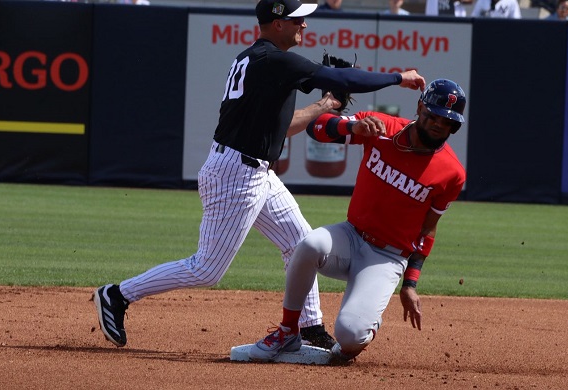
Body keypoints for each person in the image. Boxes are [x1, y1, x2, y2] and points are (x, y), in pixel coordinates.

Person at [92, 0, 426, 351]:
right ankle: (118, 294)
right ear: (277, 23)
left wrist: (326, 106)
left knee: (301, 243)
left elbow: (279, 129)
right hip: (236, 174)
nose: (305, 26)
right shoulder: (274, 59)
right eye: (298, 19)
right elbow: (340, 77)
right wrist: (396, 78)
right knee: (207, 269)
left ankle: (309, 327)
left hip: (252, 170)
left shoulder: (258, 60)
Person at [248, 79, 467, 363]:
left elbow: (427, 230)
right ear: (420, 107)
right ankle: (288, 330)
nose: (438, 125)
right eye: (433, 115)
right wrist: (350, 126)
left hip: (387, 257)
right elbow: (316, 128)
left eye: (447, 122)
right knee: (309, 243)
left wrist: (410, 283)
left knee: (350, 335)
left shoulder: (452, 173)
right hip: (351, 237)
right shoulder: (382, 128)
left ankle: (357, 334)